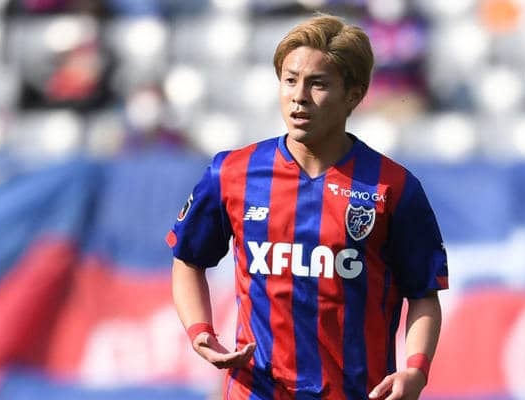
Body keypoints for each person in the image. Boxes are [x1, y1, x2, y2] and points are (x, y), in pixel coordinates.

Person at [169, 13, 448, 400]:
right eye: (290, 80)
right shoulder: (232, 172)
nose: (299, 96)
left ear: (353, 95)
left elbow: (423, 294)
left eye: (318, 83)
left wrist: (416, 371)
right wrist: (200, 331)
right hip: (257, 391)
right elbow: (188, 259)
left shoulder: (393, 187)